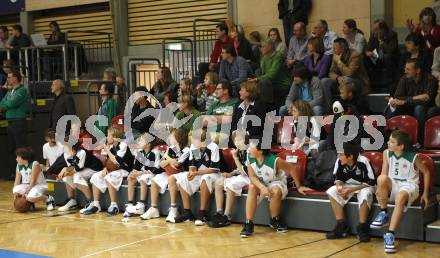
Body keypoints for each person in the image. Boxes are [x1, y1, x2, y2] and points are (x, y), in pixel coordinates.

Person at [370, 130, 430, 253]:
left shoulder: (413, 157)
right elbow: (383, 174)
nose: (388, 142)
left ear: (401, 146)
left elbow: (426, 172)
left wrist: (425, 193)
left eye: (392, 141)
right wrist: (380, 188)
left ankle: (390, 234)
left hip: (409, 186)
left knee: (401, 196)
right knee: (381, 178)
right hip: (394, 184)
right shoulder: (387, 153)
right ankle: (383, 213)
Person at [240, 142, 311, 237]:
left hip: (276, 181)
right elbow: (252, 177)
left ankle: (274, 219)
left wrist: (299, 186)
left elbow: (291, 169)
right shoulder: (250, 157)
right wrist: (262, 187)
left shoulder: (275, 161)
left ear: (260, 151)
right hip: (260, 182)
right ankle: (248, 223)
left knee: (276, 191)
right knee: (252, 187)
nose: (249, 149)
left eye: (252, 147)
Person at [325, 142, 376, 242]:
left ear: (350, 156)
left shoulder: (364, 161)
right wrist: (339, 187)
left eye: (341, 154)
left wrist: (351, 190)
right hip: (347, 186)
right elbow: (337, 178)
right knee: (332, 191)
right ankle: (341, 225)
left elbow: (370, 182)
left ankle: (362, 228)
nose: (338, 157)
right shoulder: (339, 161)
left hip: (364, 186)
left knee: (366, 193)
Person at [81, 125, 134, 215]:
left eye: (108, 135)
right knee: (96, 176)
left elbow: (116, 161)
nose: (107, 137)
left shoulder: (123, 145)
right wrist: (106, 168)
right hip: (117, 169)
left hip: (126, 169)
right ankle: (96, 205)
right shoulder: (113, 146)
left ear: (115, 137)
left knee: (110, 176)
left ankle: (114, 206)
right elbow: (110, 162)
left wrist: (107, 149)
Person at [172, 128, 221, 225]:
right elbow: (192, 166)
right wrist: (191, 173)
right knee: (183, 177)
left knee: (205, 178)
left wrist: (196, 173)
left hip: (214, 174)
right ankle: (187, 212)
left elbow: (213, 169)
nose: (192, 141)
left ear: (202, 141)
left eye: (194, 139)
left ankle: (202, 212)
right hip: (199, 173)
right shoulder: (194, 147)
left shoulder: (213, 147)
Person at [387, 58, 437, 145]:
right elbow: (398, 97)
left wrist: (405, 101)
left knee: (419, 109)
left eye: (408, 69)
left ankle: (420, 141)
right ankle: (392, 140)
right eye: (405, 69)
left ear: (417, 70)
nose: (405, 71)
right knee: (391, 110)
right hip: (408, 106)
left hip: (426, 107)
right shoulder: (404, 79)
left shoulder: (430, 79)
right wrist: (414, 98)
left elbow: (427, 98)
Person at [210, 130, 250, 227]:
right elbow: (238, 169)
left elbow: (245, 171)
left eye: (240, 140)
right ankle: (219, 212)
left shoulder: (249, 152)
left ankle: (227, 216)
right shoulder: (240, 151)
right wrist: (230, 174)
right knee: (219, 183)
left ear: (246, 140)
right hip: (242, 176)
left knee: (230, 185)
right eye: (235, 140)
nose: (237, 142)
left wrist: (235, 158)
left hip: (251, 177)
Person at [322, 38, 370, 111]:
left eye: (335, 48)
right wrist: (337, 78)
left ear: (343, 49)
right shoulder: (336, 55)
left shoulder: (355, 55)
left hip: (358, 82)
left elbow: (350, 73)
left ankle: (349, 107)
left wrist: (339, 61)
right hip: (342, 80)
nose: (333, 50)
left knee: (346, 79)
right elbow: (331, 72)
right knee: (325, 81)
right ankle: (328, 109)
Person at [57, 141, 104, 212]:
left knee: (77, 177)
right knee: (67, 178)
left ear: (71, 148)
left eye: (65, 147)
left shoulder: (82, 152)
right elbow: (71, 167)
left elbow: (77, 169)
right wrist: (63, 171)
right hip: (85, 168)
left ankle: (90, 202)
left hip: (95, 168)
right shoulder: (69, 154)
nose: (64, 149)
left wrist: (65, 172)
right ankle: (72, 201)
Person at [124, 137, 164, 217]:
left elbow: (155, 170)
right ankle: (130, 204)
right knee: (131, 179)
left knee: (143, 179)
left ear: (148, 144)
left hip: (153, 174)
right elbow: (136, 167)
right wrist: (133, 173)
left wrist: (140, 173)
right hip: (143, 173)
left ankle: (142, 204)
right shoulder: (139, 152)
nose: (139, 141)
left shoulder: (155, 153)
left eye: (142, 140)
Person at [0, 71, 28, 180]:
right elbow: (2, 102)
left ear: (16, 78)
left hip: (18, 122)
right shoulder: (10, 91)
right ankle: (14, 173)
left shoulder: (21, 90)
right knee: (11, 149)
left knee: (20, 148)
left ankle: (24, 174)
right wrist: (4, 105)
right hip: (10, 122)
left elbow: (11, 103)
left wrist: (4, 106)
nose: (8, 79)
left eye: (10, 77)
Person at [161, 129, 191, 222]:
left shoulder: (186, 150)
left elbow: (177, 164)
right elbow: (161, 164)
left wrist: (167, 158)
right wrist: (169, 160)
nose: (169, 137)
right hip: (174, 174)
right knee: (160, 179)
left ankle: (176, 208)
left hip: (184, 173)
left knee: (172, 178)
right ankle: (172, 208)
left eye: (172, 135)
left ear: (178, 138)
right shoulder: (171, 148)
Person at [252, 39, 291, 109]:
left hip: (281, 84)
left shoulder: (278, 56)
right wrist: (254, 79)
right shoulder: (263, 58)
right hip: (270, 83)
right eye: (261, 47)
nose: (261, 49)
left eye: (263, 46)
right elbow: (263, 73)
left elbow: (272, 74)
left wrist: (257, 79)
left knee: (264, 82)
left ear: (270, 47)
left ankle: (267, 107)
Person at [365, 19, 400, 89]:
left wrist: (381, 42)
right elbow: (368, 48)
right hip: (377, 58)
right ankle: (367, 83)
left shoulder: (392, 34)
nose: (373, 31)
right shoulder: (373, 35)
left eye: (376, 29)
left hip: (391, 59)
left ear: (382, 29)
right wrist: (368, 53)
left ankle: (391, 84)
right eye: (373, 29)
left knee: (387, 57)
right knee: (364, 58)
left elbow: (390, 50)